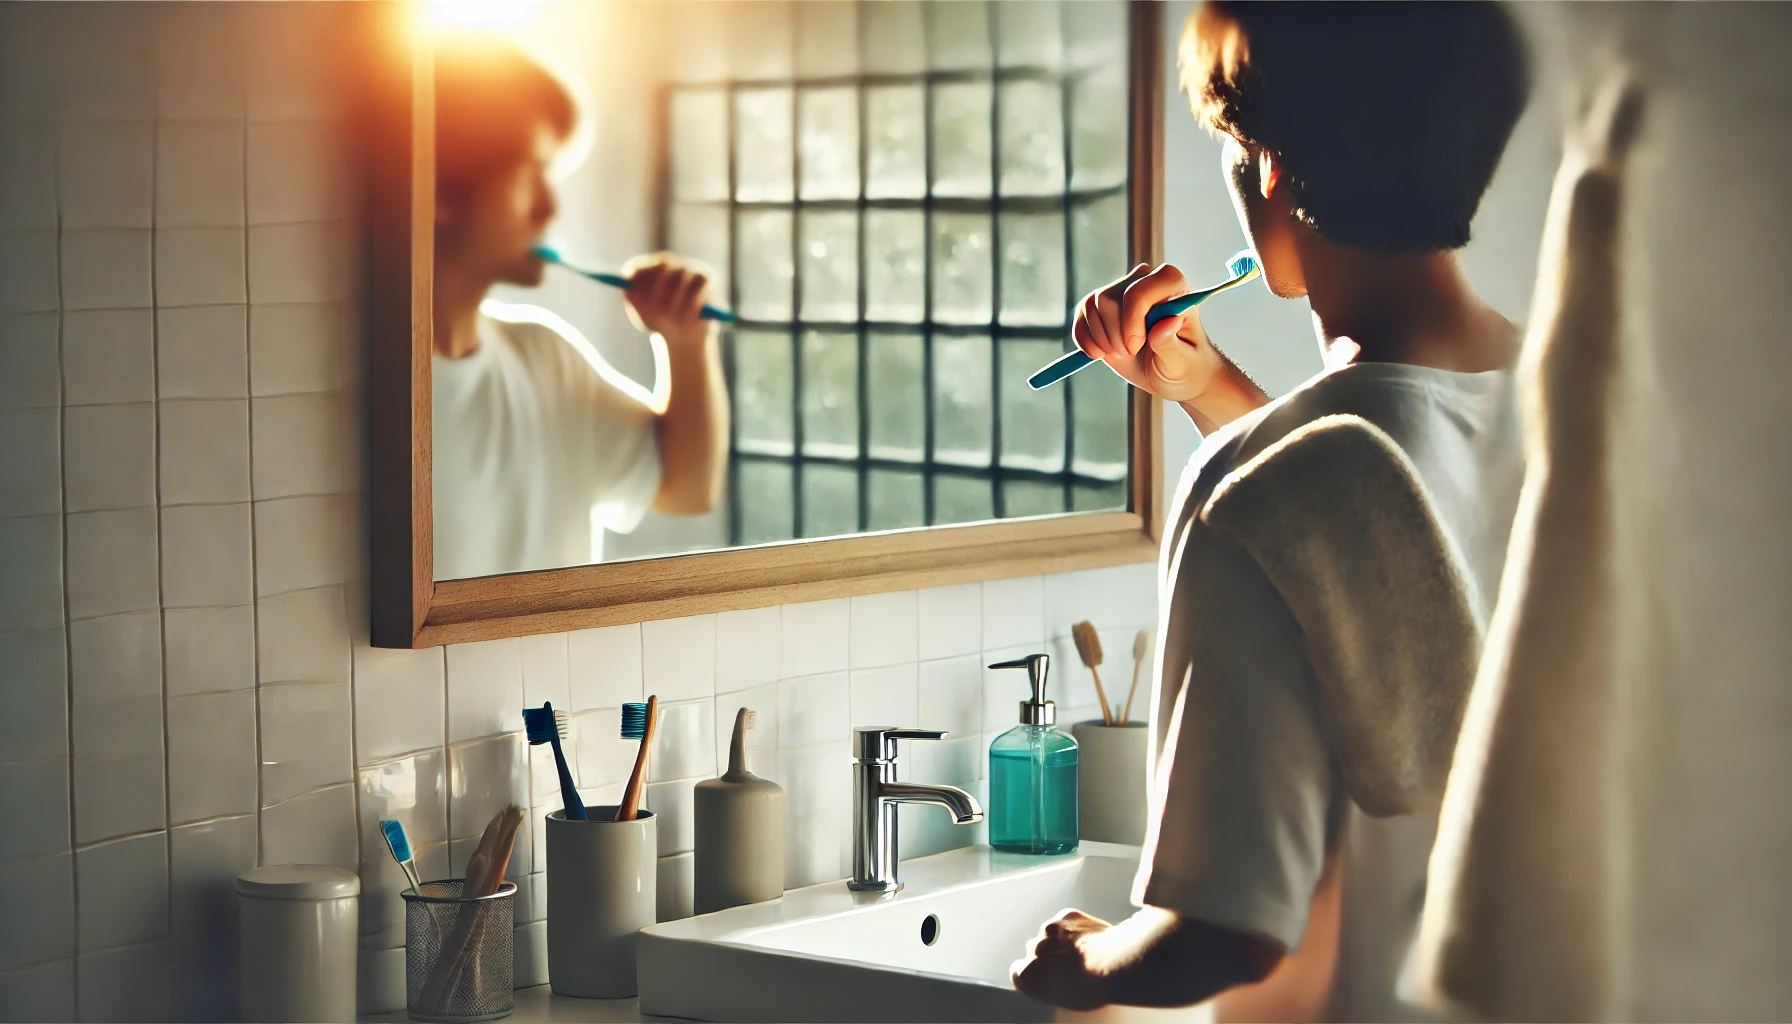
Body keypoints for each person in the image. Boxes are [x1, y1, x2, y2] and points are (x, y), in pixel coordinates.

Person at [1010, 4, 1529, 1021]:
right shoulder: (1568, 400)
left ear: (1272, 168)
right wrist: (1214, 393)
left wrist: (1085, 963)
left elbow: (1226, 932)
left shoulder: (1252, 496)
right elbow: (1381, 557)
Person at [430, 34, 728, 580]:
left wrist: (684, 342)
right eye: (527, 176)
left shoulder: (545, 356)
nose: (549, 207)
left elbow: (685, 487)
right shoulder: (357, 389)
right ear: (438, 191)